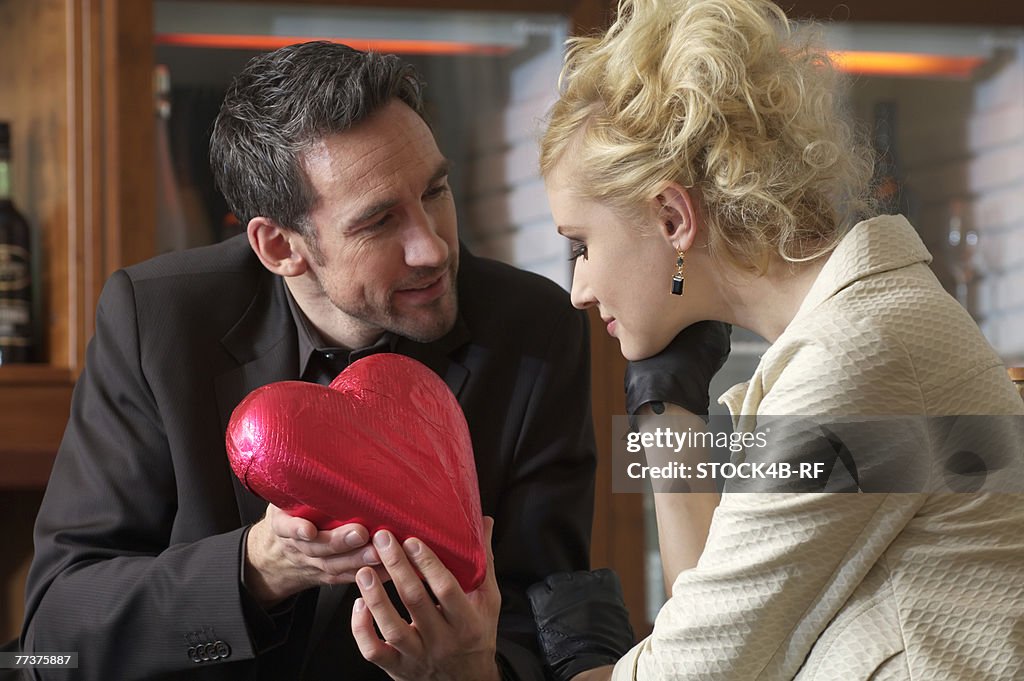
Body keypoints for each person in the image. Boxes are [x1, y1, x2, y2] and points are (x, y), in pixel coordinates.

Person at [21, 41, 603, 681]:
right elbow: (54, 634)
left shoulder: (535, 326)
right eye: (379, 222)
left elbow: (558, 612)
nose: (432, 248)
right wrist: (259, 568)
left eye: (436, 190)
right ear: (279, 246)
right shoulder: (156, 321)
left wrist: (473, 669)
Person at [527, 1, 1024, 680]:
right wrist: (663, 404)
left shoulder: (857, 358)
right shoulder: (843, 341)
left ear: (672, 215)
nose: (580, 288)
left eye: (581, 246)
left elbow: (704, 665)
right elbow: (714, 608)